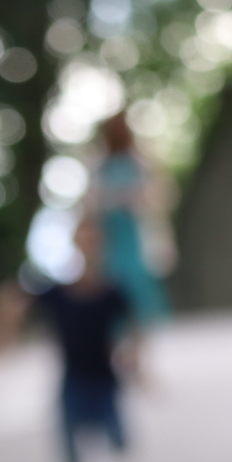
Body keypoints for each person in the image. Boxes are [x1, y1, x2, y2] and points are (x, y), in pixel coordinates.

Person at [0, 218, 136, 462]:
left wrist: (135, 361)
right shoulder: (57, 292)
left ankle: (99, 425)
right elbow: (10, 296)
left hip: (106, 384)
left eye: (94, 238)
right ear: (75, 244)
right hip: (72, 385)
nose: (89, 244)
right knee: (68, 455)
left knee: (120, 445)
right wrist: (1, 334)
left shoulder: (113, 291)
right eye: (84, 237)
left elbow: (133, 326)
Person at [85, 112, 173, 325]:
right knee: (112, 277)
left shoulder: (141, 162)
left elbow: (158, 195)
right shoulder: (98, 166)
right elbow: (92, 201)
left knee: (139, 278)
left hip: (135, 230)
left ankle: (149, 323)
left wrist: (137, 199)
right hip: (110, 232)